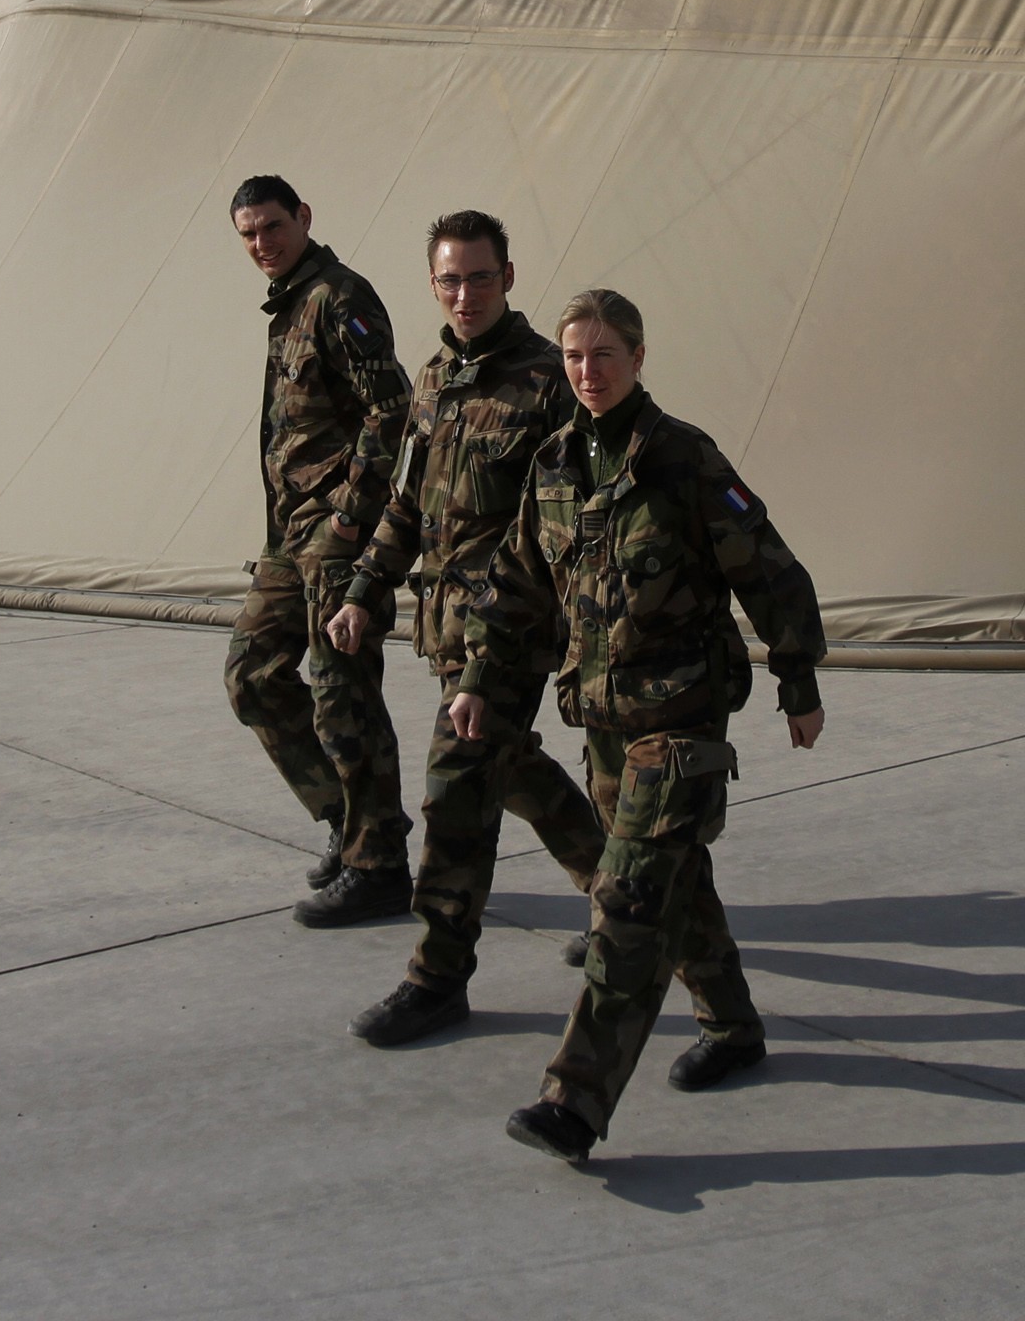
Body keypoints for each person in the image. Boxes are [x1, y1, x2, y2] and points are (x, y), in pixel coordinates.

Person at [497, 288, 827, 1163]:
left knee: (631, 902)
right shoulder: (558, 465)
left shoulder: (683, 460)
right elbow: (520, 589)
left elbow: (771, 570)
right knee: (674, 880)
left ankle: (574, 1101)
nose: (587, 371)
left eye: (605, 354)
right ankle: (732, 1025)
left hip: (679, 724)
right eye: (573, 356)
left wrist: (798, 679)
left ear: (639, 359)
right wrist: (483, 685)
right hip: (604, 722)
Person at [327, 212, 609, 1046]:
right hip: (447, 628)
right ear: (432, 285)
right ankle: (615, 884)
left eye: (480, 278)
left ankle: (437, 978)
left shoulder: (546, 383)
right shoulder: (435, 377)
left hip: (514, 631)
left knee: (457, 792)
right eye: (450, 280)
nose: (465, 295)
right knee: (510, 766)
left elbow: (554, 533)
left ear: (509, 278)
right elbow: (411, 504)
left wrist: (494, 659)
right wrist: (364, 589)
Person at [223, 175, 415, 927]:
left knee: (344, 698)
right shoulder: (291, 305)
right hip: (288, 537)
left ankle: (380, 867)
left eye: (272, 226)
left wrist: (349, 519)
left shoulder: (340, 297)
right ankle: (347, 818)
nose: (261, 244)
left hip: (333, 538)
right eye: (248, 235)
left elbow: (391, 407)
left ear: (303, 218)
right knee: (252, 674)